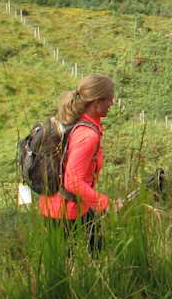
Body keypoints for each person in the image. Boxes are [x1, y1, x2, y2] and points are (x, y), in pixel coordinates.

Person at [38, 73, 116, 251]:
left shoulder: (73, 123)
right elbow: (72, 182)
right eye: (109, 99)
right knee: (87, 259)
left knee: (97, 251)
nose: (112, 103)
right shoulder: (87, 136)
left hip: (58, 206)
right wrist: (104, 202)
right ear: (96, 102)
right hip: (66, 213)